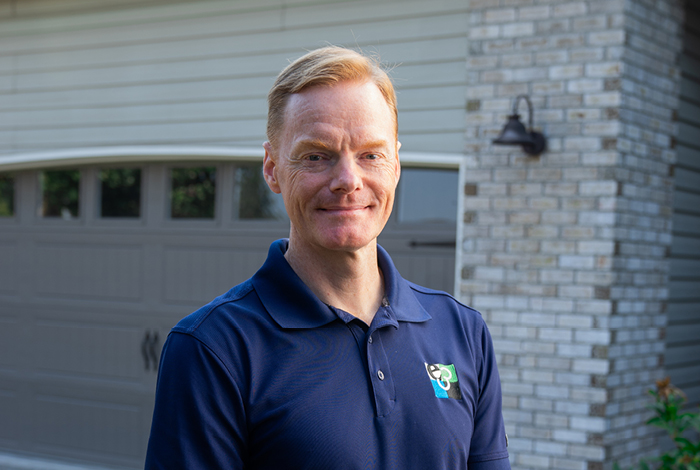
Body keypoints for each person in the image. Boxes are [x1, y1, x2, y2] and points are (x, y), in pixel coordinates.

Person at [145, 46, 510, 470]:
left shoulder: (462, 331)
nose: (347, 181)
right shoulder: (214, 349)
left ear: (395, 164)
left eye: (371, 154)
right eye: (316, 155)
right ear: (272, 167)